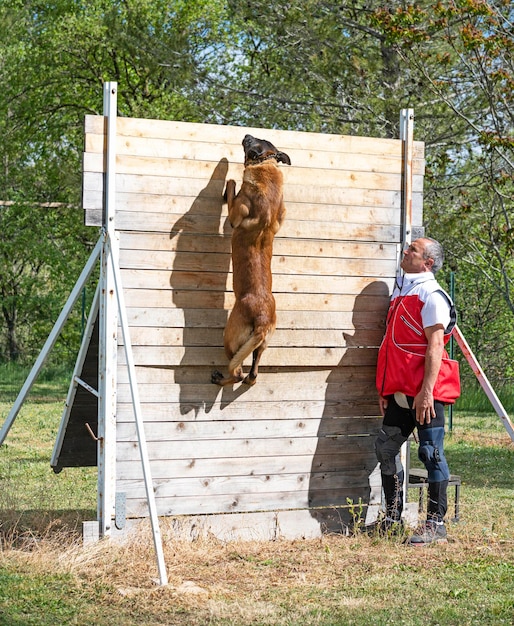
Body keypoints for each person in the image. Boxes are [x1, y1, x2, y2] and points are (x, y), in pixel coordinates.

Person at [371, 237, 460, 545]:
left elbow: (435, 346)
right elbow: (392, 345)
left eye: (413, 250)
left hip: (425, 393)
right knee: (385, 448)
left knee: (430, 453)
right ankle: (392, 518)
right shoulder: (403, 291)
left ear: (428, 263)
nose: (405, 252)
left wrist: (427, 391)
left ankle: (436, 525)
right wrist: (385, 387)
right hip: (399, 390)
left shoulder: (431, 295)